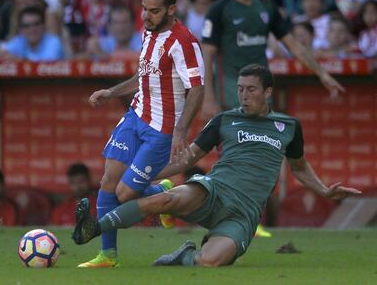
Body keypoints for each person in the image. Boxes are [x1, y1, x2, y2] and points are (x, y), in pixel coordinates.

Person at [72, 64, 361, 267]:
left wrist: (324, 190)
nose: (244, 96)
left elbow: (298, 167)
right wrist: (143, 174)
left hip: (244, 215)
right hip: (214, 190)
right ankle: (94, 228)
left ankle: (184, 256)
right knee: (166, 199)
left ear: (268, 92)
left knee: (210, 261)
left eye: (251, 90)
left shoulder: (289, 126)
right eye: (240, 89)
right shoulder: (226, 119)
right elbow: (189, 157)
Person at [78, 0, 204, 268]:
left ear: (172, 9)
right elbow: (143, 77)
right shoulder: (148, 33)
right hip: (136, 116)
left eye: (154, 10)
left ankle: (164, 193)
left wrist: (180, 132)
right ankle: (108, 256)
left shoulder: (184, 42)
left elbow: (198, 88)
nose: (146, 16)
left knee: (123, 195)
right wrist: (112, 93)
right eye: (144, 9)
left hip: (161, 130)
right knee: (108, 183)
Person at [201, 0, 345, 120]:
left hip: (261, 90)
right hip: (231, 88)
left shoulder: (266, 7)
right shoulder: (219, 10)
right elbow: (206, 55)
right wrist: (208, 97)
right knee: (235, 141)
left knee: (262, 140)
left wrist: (322, 73)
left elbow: (294, 45)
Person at [0, 5, 64, 61]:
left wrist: (21, 61)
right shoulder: (19, 40)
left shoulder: (54, 42)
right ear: (20, 30)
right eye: (26, 25)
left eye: (36, 24)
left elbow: (46, 67)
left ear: (44, 26)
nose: (32, 29)